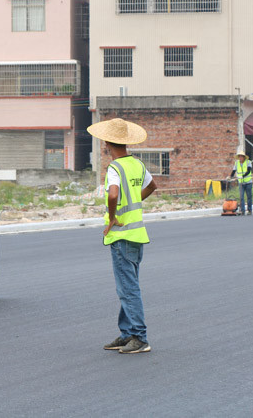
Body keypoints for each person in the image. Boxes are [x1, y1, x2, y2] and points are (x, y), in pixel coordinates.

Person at [87, 117, 157, 354]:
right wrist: (135, 201)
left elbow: (113, 194)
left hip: (122, 236)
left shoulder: (115, 168)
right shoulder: (137, 164)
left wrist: (113, 215)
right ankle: (127, 333)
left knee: (128, 289)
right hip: (137, 236)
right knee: (129, 284)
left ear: (107, 143)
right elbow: (152, 186)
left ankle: (139, 336)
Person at [230, 147, 253, 215]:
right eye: (239, 157)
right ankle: (242, 210)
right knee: (241, 197)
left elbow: (248, 171)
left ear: (244, 157)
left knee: (249, 196)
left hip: (248, 182)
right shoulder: (236, 163)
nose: (240, 158)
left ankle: (249, 210)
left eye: (241, 157)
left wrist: (242, 176)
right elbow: (234, 171)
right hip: (241, 183)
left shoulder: (248, 162)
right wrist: (230, 177)